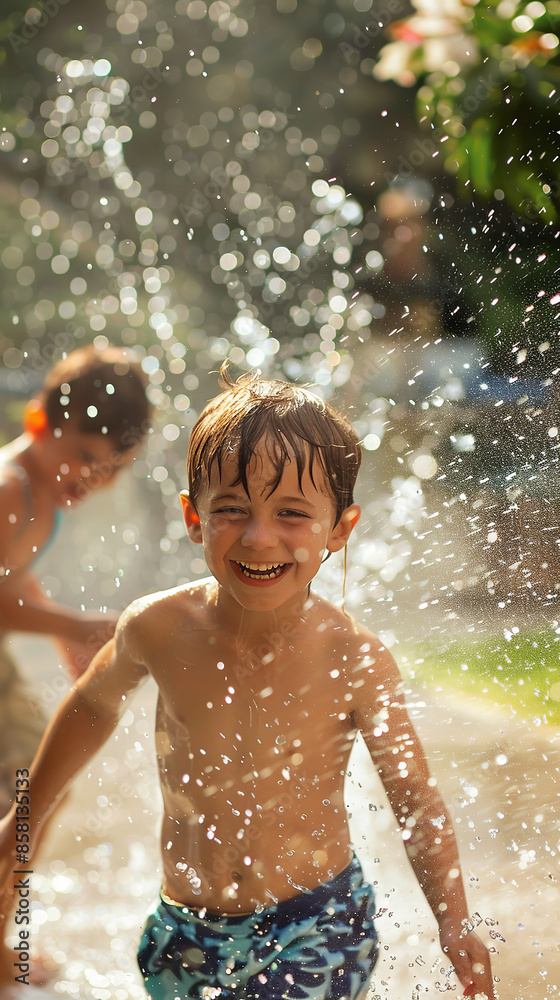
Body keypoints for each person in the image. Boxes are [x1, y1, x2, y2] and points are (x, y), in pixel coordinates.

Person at [0, 364, 495, 998]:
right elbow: (92, 706)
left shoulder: (352, 656)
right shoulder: (157, 627)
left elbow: (415, 802)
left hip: (315, 925)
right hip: (185, 932)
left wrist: (454, 925)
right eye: (232, 509)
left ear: (340, 529)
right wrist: (24, 822)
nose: (260, 538)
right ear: (193, 516)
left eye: (292, 513)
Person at [0, 343, 151, 811]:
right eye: (85, 455)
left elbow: (12, 574)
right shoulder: (9, 491)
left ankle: (11, 881)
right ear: (38, 422)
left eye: (111, 469)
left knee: (41, 788)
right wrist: (73, 626)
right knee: (30, 790)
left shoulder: (41, 490)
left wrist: (63, 640)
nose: (93, 479)